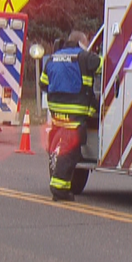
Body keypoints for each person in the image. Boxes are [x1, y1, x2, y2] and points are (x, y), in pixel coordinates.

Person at [40, 29, 102, 201]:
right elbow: (105, 65)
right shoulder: (84, 57)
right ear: (82, 42)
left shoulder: (53, 58)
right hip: (75, 114)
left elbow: (43, 84)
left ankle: (63, 187)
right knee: (71, 152)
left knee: (63, 148)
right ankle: (58, 188)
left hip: (57, 114)